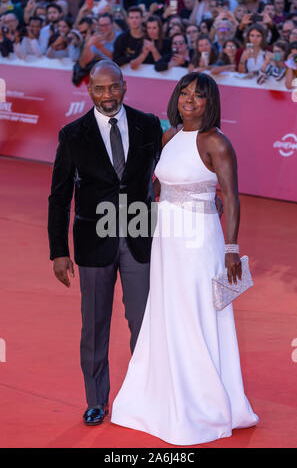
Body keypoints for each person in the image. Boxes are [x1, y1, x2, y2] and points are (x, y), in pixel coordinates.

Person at [111, 71, 259, 445]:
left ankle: (203, 404)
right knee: (167, 311)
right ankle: (165, 395)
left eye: (199, 95)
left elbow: (233, 196)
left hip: (198, 242)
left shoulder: (217, 143)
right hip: (167, 236)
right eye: (184, 93)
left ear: (211, 103)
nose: (189, 100)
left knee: (196, 313)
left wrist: (231, 249)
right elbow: (163, 183)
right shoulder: (171, 136)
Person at [47, 60, 163, 426]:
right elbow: (59, 196)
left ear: (124, 86)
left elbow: (169, 172)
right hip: (93, 241)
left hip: (140, 235)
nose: (108, 95)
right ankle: (97, 400)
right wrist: (59, 251)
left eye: (114, 87)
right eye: (100, 88)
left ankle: (145, 397)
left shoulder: (148, 124)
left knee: (143, 322)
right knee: (94, 324)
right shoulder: (73, 134)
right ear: (89, 90)